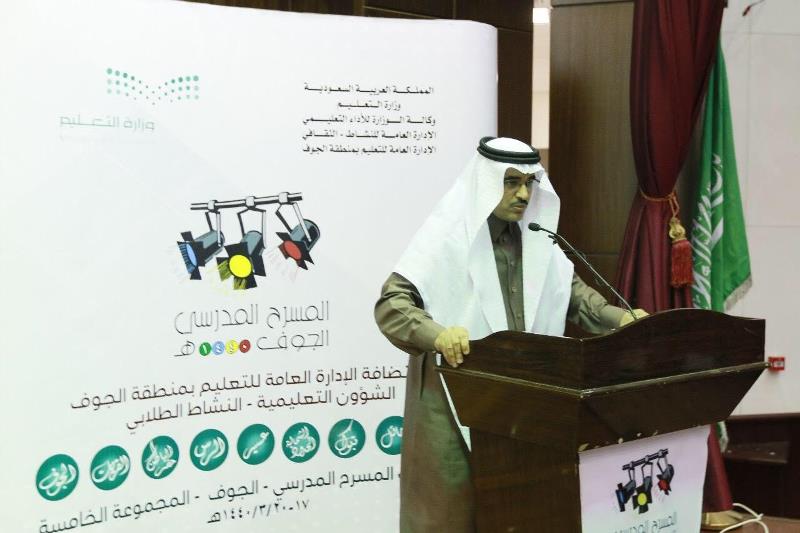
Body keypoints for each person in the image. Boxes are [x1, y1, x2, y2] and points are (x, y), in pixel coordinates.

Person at [374, 136, 646, 533]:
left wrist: (622, 320)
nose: (523, 194)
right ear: (485, 183)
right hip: (451, 395)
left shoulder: (536, 237)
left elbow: (575, 297)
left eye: (529, 183)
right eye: (511, 182)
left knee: (518, 505)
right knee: (448, 509)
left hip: (520, 396)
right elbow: (391, 304)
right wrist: (437, 335)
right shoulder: (448, 236)